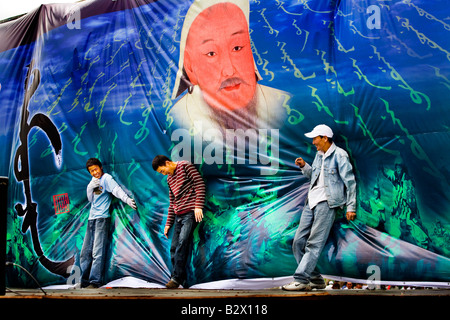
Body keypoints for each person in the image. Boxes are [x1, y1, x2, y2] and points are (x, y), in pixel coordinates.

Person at [169, 0, 290, 134]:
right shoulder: (176, 119)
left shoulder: (284, 105)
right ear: (190, 67)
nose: (229, 70)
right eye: (211, 53)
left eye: (237, 48)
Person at [282, 124, 357, 291]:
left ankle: (301, 280)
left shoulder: (340, 155)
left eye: (315, 138)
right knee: (298, 242)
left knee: (314, 243)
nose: (314, 142)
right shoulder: (318, 155)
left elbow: (350, 182)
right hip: (311, 202)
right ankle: (316, 280)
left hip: (327, 203)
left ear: (325, 138)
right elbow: (314, 177)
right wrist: (304, 167)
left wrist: (351, 207)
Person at [81, 158, 137, 288]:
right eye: (91, 171)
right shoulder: (94, 181)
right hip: (91, 219)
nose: (94, 172)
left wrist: (127, 200)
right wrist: (90, 187)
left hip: (102, 219)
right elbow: (91, 200)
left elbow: (116, 190)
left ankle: (95, 282)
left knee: (97, 252)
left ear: (100, 167)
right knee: (85, 252)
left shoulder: (106, 178)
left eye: (95, 169)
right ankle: (84, 282)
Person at [152, 155, 206, 288]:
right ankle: (179, 278)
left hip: (189, 214)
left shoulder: (185, 166)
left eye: (163, 171)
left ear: (167, 163)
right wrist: (168, 223)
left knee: (182, 243)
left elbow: (199, 184)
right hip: (178, 216)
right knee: (174, 247)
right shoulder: (169, 179)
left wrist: (198, 206)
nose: (164, 174)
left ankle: (176, 279)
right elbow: (172, 202)